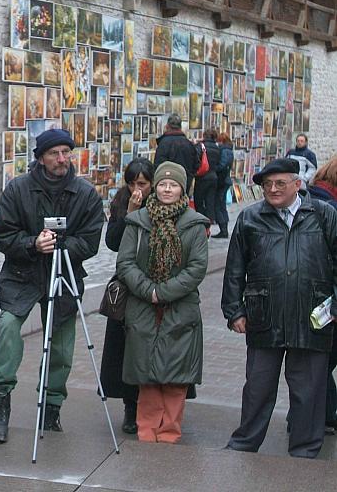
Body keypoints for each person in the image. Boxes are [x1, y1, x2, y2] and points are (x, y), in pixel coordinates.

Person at [0, 128, 104, 444]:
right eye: (54, 153)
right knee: (8, 329)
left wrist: (63, 246)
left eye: (66, 152)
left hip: (64, 273)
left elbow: (90, 241)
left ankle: (51, 408)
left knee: (62, 346)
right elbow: (2, 235)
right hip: (22, 274)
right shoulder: (18, 189)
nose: (62, 159)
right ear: (41, 158)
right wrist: (32, 244)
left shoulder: (85, 193)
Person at [223, 158, 337, 458]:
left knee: (309, 390)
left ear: (297, 184)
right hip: (264, 314)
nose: (273, 189)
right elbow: (235, 268)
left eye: (280, 183)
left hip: (312, 315)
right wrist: (234, 310)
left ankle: (304, 448)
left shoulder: (323, 214)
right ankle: (245, 442)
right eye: (267, 185)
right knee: (258, 386)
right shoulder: (250, 218)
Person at [115, 162, 209, 443]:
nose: (167, 189)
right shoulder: (138, 221)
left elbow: (196, 268)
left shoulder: (194, 224)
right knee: (147, 374)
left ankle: (168, 433)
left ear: (183, 189)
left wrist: (164, 292)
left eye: (173, 185)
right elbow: (125, 262)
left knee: (176, 375)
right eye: (163, 184)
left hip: (180, 308)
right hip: (143, 306)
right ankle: (147, 432)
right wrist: (149, 291)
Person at [101, 157, 155, 435]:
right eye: (132, 183)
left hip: (155, 282)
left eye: (143, 184)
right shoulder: (122, 201)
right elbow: (113, 242)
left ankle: (155, 405)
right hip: (128, 283)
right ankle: (130, 406)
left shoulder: (161, 201)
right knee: (125, 347)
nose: (137, 189)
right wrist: (130, 213)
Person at [308, 157, 337, 434]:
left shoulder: (317, 197)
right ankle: (319, 415)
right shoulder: (327, 206)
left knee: (322, 360)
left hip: (322, 295)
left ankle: (318, 414)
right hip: (324, 297)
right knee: (322, 360)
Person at [153, 114, 199, 194]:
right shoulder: (188, 144)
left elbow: (158, 165)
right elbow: (196, 164)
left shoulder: (163, 143)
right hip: (185, 183)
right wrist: (189, 176)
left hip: (167, 184)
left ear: (167, 126)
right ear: (180, 127)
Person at [192, 129, 221, 226]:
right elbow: (218, 162)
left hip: (202, 177)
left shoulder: (201, 146)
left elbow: (195, 159)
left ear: (204, 136)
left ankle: (201, 221)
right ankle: (209, 221)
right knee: (210, 201)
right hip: (214, 177)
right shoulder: (217, 148)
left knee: (199, 201)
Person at [212, 132, 234, 238]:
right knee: (222, 205)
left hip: (222, 181)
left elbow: (222, 165)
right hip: (225, 180)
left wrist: (214, 169)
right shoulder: (229, 150)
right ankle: (224, 229)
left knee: (219, 205)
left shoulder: (224, 150)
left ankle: (223, 230)